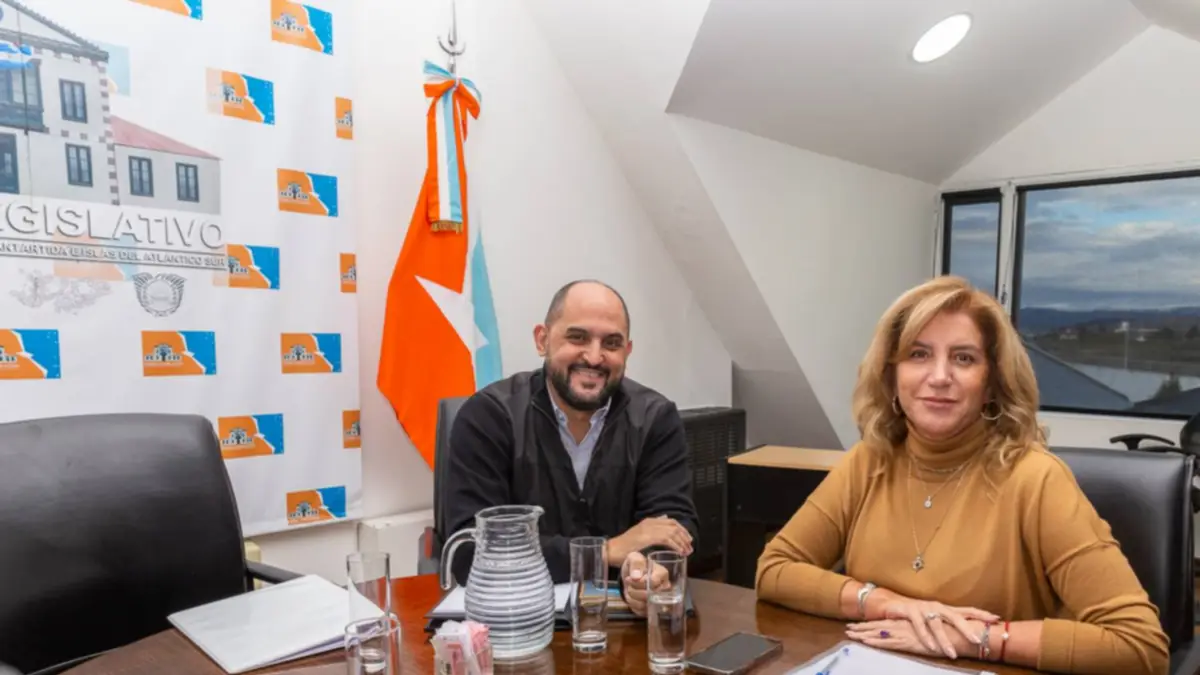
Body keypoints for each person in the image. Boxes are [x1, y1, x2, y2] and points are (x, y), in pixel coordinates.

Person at [755, 276, 1169, 675]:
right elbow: (775, 569)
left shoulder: (1036, 478)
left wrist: (976, 638)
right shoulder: (869, 460)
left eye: (963, 358)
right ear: (891, 375)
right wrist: (888, 603)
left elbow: (1140, 645)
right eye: (918, 354)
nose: (939, 377)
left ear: (991, 383)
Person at [444, 279, 698, 615]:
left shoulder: (655, 418)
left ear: (627, 351)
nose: (594, 357)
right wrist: (605, 552)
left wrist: (646, 570)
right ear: (542, 340)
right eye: (577, 337)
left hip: (622, 623)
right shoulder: (488, 416)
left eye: (611, 343)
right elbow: (469, 552)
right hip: (515, 621)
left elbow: (673, 528)